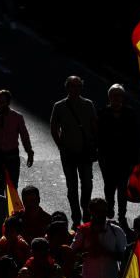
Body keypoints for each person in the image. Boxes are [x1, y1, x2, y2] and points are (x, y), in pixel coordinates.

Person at [50, 76, 98, 227]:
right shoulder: (59, 106)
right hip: (68, 153)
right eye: (72, 86)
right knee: (72, 186)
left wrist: (95, 145)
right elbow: (53, 127)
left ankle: (86, 210)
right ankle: (76, 215)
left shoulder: (88, 104)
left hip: (85, 152)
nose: (76, 89)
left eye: (78, 86)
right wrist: (61, 146)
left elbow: (94, 126)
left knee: (87, 184)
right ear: (67, 88)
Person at [96, 84, 140, 225]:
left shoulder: (130, 113)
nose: (117, 98)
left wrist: (137, 157)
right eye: (114, 95)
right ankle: (109, 206)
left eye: (119, 95)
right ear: (109, 97)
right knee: (109, 185)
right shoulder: (102, 113)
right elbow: (97, 135)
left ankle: (122, 214)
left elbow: (136, 136)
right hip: (107, 157)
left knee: (122, 187)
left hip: (125, 158)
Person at [0, 89, 33, 189]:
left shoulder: (17, 117)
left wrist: (29, 152)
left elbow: (24, 136)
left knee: (12, 187)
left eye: (2, 102)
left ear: (8, 103)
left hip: (12, 156)